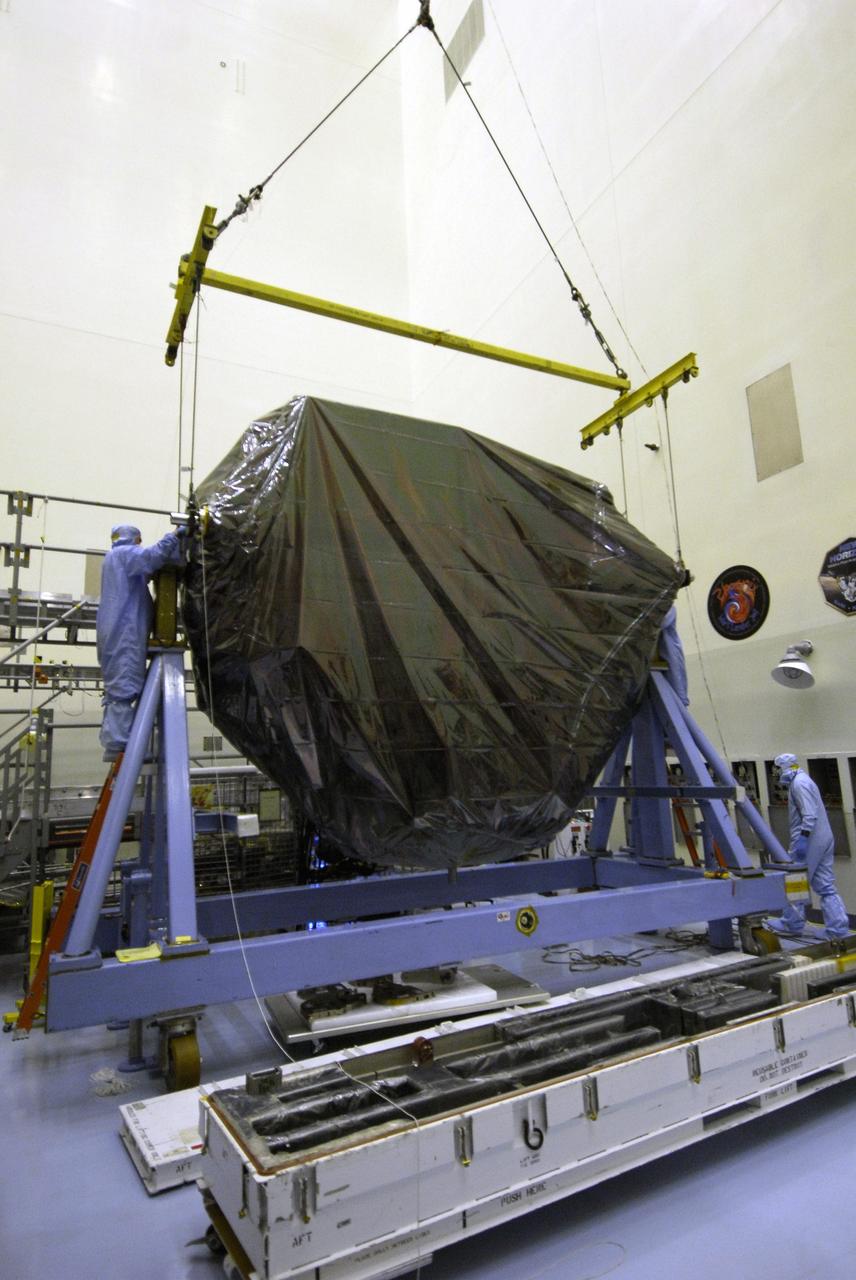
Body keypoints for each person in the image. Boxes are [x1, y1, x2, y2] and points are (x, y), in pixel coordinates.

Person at [96, 523, 184, 759]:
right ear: (134, 539)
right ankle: (120, 745)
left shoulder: (114, 559)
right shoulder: (125, 555)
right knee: (123, 688)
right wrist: (174, 536)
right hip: (125, 633)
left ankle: (118, 741)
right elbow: (152, 557)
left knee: (119, 689)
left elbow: (146, 566)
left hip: (117, 633)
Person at [765, 753, 850, 940]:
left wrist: (803, 839)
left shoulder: (799, 784)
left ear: (785, 766)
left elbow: (809, 815)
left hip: (810, 839)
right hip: (824, 838)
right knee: (826, 885)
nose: (777, 773)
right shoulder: (805, 780)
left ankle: (791, 923)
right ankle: (837, 929)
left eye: (778, 769)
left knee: (795, 880)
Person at [658, 604, 689, 705]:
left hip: (670, 659)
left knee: (678, 700)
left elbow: (659, 622)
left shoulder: (668, 607)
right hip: (657, 661)